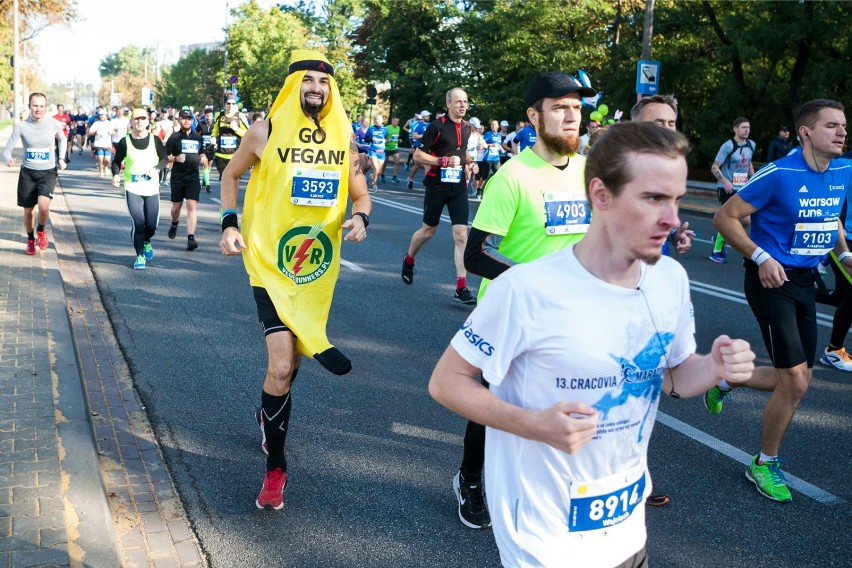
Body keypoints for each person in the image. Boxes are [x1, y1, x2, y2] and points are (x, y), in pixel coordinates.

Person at [430, 121, 755, 567]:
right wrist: (532, 423)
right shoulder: (527, 289)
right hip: (545, 541)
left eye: (677, 199)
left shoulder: (670, 280)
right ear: (600, 195)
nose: (673, 218)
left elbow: (675, 378)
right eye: (654, 198)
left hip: (627, 530)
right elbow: (447, 382)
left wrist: (714, 366)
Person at [218, 50, 371, 511]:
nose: (316, 90)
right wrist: (229, 223)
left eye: (323, 84)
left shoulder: (344, 138)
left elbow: (360, 193)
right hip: (268, 261)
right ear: (293, 87)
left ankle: (269, 413)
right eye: (308, 82)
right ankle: (276, 469)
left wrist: (361, 217)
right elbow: (230, 174)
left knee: (291, 363)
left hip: (314, 267)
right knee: (282, 363)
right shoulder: (265, 130)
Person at [451, 71, 596, 529]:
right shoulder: (512, 178)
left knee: (564, 399)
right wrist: (538, 281)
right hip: (511, 315)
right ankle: (470, 478)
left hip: (571, 315)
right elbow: (476, 254)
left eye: (576, 107)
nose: (572, 116)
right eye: (560, 108)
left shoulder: (589, 169)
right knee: (494, 407)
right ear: (534, 116)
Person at [710, 99, 850, 503]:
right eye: (831, 126)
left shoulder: (843, 169)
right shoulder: (779, 172)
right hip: (771, 279)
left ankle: (726, 377)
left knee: (800, 378)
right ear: (805, 132)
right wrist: (760, 256)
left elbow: (830, 214)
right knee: (794, 381)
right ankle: (764, 463)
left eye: (843, 125)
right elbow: (724, 217)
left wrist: (842, 254)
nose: (842, 132)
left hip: (806, 279)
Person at [401, 89, 478, 305]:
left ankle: (461, 287)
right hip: (436, 186)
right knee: (428, 232)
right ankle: (409, 259)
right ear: (448, 104)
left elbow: (461, 152)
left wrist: (470, 162)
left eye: (465, 102)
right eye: (458, 102)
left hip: (458, 187)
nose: (463, 106)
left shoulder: (467, 127)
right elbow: (418, 155)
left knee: (461, 235)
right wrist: (442, 161)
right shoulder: (436, 127)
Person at [631, 94, 695, 258]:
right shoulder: (616, 168)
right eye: (659, 122)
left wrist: (674, 234)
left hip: (657, 266)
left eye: (671, 123)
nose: (666, 128)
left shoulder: (671, 168)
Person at [3, 93, 67, 255]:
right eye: (35, 105)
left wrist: (61, 158)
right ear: (30, 106)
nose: (38, 109)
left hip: (47, 172)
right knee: (28, 211)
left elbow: (63, 139)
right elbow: (7, 148)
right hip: (28, 173)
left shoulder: (53, 123)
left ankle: (41, 230)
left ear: (46, 107)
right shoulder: (21, 126)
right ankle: (31, 239)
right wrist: (8, 158)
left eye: (41, 106)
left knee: (44, 207)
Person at [111, 108, 169, 270]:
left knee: (151, 226)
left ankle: (146, 241)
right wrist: (116, 174)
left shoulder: (155, 140)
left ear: (147, 121)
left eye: (142, 118)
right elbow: (116, 161)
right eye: (136, 119)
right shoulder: (125, 141)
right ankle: (139, 256)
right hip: (133, 187)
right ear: (132, 122)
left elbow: (164, 159)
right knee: (139, 222)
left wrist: (156, 169)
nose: (139, 121)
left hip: (151, 188)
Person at [709, 116, 756, 263]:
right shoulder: (728, 146)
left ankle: (722, 234)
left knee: (747, 220)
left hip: (743, 188)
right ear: (735, 129)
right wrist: (724, 180)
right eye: (743, 127)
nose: (746, 130)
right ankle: (716, 250)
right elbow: (715, 166)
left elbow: (748, 163)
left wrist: (754, 180)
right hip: (727, 189)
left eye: (748, 127)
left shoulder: (751, 145)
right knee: (731, 218)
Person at [165, 109, 207, 251]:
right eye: (184, 118)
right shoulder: (174, 137)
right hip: (178, 177)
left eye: (189, 118)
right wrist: (175, 158)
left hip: (193, 177)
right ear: (179, 120)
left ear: (192, 120)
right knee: (177, 207)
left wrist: (202, 157)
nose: (187, 121)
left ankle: (191, 238)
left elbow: (202, 152)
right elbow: (165, 157)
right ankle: (174, 223)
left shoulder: (197, 137)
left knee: (191, 206)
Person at [211, 94, 249, 180]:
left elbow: (247, 134)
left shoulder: (240, 116)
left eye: (233, 104)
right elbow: (215, 129)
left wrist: (236, 129)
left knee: (234, 180)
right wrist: (213, 137)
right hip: (220, 155)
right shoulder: (219, 115)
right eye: (228, 103)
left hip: (235, 155)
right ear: (225, 104)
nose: (230, 106)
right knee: (225, 180)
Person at [407, 111, 430, 190]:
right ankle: (410, 179)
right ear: (423, 117)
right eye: (427, 116)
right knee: (417, 165)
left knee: (427, 165)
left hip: (428, 148)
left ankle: (427, 184)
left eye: (428, 116)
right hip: (419, 147)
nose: (428, 117)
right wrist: (423, 135)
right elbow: (414, 136)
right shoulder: (418, 125)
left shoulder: (430, 125)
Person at [364, 113, 388, 192]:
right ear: (374, 121)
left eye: (380, 119)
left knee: (379, 172)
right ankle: (375, 185)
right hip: (373, 151)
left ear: (382, 120)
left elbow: (387, 138)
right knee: (376, 168)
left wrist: (386, 140)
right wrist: (371, 138)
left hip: (381, 152)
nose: (379, 121)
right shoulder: (371, 129)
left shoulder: (385, 129)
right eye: (377, 119)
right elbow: (366, 140)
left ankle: (372, 176)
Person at [88, 109, 113, 177]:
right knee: (100, 158)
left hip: (107, 144)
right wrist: (95, 132)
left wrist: (111, 132)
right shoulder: (96, 123)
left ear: (106, 115)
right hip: (98, 143)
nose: (101, 116)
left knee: (107, 160)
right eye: (100, 115)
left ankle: (106, 167)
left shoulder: (109, 123)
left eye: (103, 115)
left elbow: (113, 131)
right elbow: (90, 132)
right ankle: (101, 173)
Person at [197, 107, 215, 192]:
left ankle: (204, 180)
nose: (208, 118)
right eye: (207, 116)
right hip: (203, 148)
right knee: (205, 164)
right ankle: (208, 185)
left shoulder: (215, 125)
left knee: (209, 165)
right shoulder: (201, 124)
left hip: (211, 148)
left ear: (212, 116)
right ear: (205, 116)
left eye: (210, 116)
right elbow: (196, 134)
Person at [381, 116, 401, 183]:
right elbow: (382, 138)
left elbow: (396, 138)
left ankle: (394, 177)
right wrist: (387, 140)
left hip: (395, 147)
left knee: (398, 162)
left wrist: (399, 140)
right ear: (392, 121)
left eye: (398, 121)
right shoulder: (387, 128)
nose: (396, 123)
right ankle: (382, 174)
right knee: (385, 162)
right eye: (395, 121)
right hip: (387, 147)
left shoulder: (398, 128)